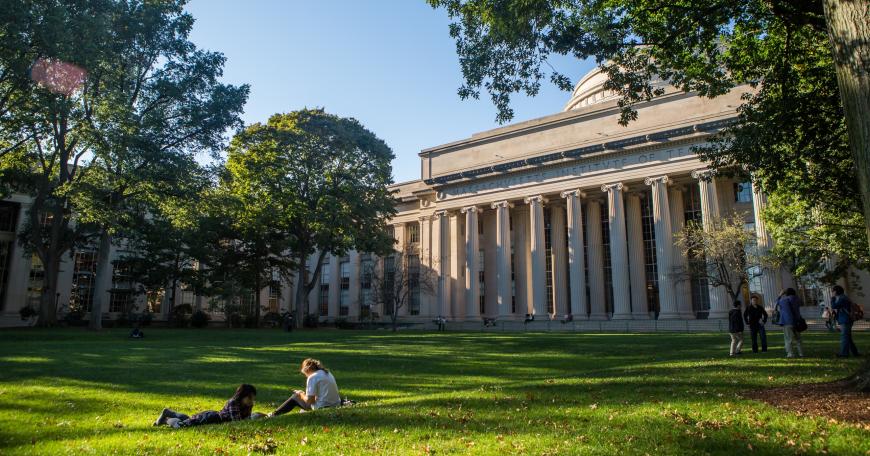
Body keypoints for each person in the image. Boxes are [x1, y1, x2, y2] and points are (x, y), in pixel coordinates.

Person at [154, 384, 257, 428]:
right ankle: (166, 419)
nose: (251, 401)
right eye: (249, 398)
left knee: (190, 420)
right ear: (241, 396)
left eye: (252, 398)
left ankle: (169, 412)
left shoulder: (248, 405)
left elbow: (247, 420)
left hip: (214, 418)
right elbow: (238, 423)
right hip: (212, 418)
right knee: (182, 426)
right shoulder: (233, 402)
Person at [269, 358, 341, 416]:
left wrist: (301, 393)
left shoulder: (312, 377)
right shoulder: (327, 373)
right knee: (301, 401)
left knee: (295, 396)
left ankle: (274, 414)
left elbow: (309, 401)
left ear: (307, 369)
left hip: (322, 407)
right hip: (335, 405)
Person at [830, 285, 860, 358]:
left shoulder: (842, 298)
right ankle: (855, 352)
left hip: (846, 320)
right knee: (848, 337)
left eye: (833, 291)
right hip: (846, 319)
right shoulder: (844, 297)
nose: (832, 292)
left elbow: (834, 306)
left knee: (844, 337)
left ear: (836, 291)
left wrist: (832, 299)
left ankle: (844, 354)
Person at [776, 288, 804, 358]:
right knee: (798, 339)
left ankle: (790, 354)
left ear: (786, 294)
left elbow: (776, 303)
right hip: (797, 321)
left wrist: (780, 295)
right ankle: (801, 353)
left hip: (787, 322)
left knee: (788, 339)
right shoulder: (797, 299)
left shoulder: (784, 300)